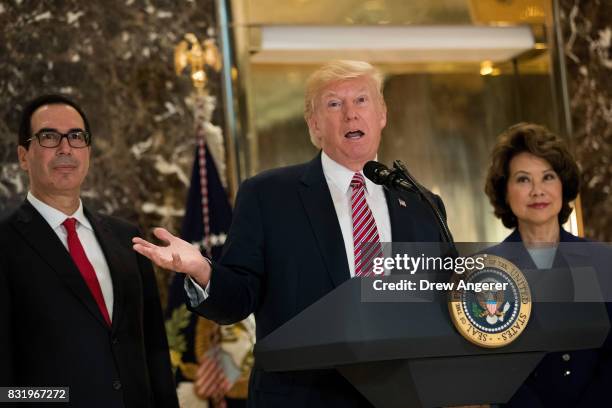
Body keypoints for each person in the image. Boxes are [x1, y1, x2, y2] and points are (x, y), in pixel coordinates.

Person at [133, 60, 450, 407]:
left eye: (361, 100)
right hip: (303, 397)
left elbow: (440, 302)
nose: (351, 114)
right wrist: (203, 271)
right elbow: (239, 297)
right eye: (334, 104)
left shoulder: (421, 202)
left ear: (382, 114)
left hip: (400, 396)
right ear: (314, 125)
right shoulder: (268, 195)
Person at [0, 94, 179, 408]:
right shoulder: (5, 242)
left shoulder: (126, 238)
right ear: (24, 156)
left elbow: (154, 349)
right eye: (49, 136)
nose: (65, 148)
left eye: (76, 137)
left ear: (89, 153)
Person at [484, 122, 612, 407]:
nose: (537, 191)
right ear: (504, 192)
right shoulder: (485, 270)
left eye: (548, 177)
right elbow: (491, 364)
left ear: (563, 186)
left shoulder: (603, 261)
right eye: (523, 179)